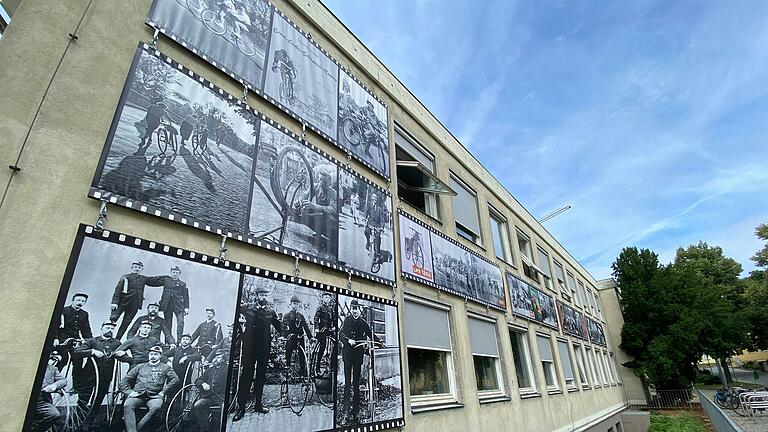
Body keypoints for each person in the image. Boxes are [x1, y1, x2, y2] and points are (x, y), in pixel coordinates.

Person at [232, 285, 281, 421]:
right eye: (261, 295)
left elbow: (279, 326)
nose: (264, 297)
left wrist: (290, 335)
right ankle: (241, 409)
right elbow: (234, 311)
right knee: (246, 375)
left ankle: (258, 405)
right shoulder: (248, 308)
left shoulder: (271, 311)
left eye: (266, 295)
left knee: (261, 375)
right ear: (257, 296)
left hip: (264, 347)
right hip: (250, 347)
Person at [72, 321, 126, 429]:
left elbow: (122, 357)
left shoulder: (116, 343)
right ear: (102, 328)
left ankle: (88, 424)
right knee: (83, 400)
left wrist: (124, 355)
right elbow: (77, 352)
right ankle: (75, 423)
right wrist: (91, 351)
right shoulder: (93, 341)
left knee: (97, 402)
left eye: (112, 328)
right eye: (107, 327)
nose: (110, 330)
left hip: (105, 377)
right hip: (89, 376)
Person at [339, 299, 383, 425]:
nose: (355, 311)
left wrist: (380, 343)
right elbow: (340, 334)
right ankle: (346, 413)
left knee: (356, 385)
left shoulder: (364, 323)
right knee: (347, 385)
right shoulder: (347, 320)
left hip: (358, 357)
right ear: (351, 310)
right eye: (353, 309)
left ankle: (356, 413)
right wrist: (348, 340)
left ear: (360, 310)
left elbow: (371, 334)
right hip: (347, 356)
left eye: (357, 309)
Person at [119, 345, 179, 432]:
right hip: (138, 395)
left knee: (156, 407)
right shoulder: (140, 366)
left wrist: (163, 391)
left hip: (155, 396)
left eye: (156, 354)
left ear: (160, 356)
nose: (153, 356)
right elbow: (124, 381)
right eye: (151, 354)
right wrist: (130, 392)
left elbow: (175, 379)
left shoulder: (165, 367)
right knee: (127, 405)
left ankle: (137, 429)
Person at [110, 260, 164, 340]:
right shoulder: (126, 277)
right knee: (113, 319)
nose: (137, 269)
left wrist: (166, 279)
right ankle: (108, 338)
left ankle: (117, 340)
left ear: (142, 269)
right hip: (122, 302)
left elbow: (154, 280)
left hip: (134, 305)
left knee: (126, 323)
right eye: (135, 267)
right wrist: (114, 302)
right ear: (132, 267)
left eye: (139, 267)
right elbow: (118, 290)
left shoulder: (143, 278)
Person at [298, 163, 338, 256]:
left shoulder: (333, 193)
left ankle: (320, 237)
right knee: (302, 211)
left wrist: (315, 206)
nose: (321, 182)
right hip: (319, 214)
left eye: (324, 181)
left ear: (329, 183)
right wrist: (300, 201)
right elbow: (304, 195)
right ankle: (317, 232)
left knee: (321, 215)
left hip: (329, 221)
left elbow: (333, 210)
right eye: (320, 179)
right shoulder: (315, 186)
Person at [192, 349, 229, 432]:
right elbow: (198, 379)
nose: (215, 359)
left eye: (218, 357)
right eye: (215, 357)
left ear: (223, 359)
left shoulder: (227, 370)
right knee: (198, 404)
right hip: (209, 397)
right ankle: (205, 428)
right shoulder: (210, 370)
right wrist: (203, 383)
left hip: (222, 398)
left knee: (223, 408)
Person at [54, 292, 93, 369]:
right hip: (62, 340)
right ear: (73, 300)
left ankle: (77, 381)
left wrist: (90, 341)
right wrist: (55, 338)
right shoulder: (63, 310)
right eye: (78, 300)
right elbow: (54, 326)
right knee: (63, 359)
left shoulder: (84, 314)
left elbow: (86, 330)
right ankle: (53, 378)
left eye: (83, 301)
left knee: (78, 360)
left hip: (75, 341)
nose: (80, 303)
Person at [30, 353, 67, 431]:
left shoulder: (52, 369)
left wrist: (54, 386)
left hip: (41, 401)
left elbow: (63, 381)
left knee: (54, 414)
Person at [155, 266, 190, 344]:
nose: (175, 274)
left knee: (180, 323)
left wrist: (187, 307)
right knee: (167, 325)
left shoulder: (182, 284)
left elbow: (186, 296)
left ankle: (179, 342)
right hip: (167, 306)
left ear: (179, 274)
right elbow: (155, 281)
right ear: (171, 273)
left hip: (179, 306)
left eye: (177, 273)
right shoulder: (166, 281)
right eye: (173, 272)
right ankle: (168, 342)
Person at [282, 295, 312, 375]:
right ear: (291, 304)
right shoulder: (287, 315)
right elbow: (283, 326)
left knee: (302, 354)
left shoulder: (301, 316)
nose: (296, 305)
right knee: (288, 351)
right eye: (294, 303)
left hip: (300, 337)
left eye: (297, 304)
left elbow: (306, 327)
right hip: (291, 337)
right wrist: (283, 336)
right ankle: (287, 368)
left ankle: (302, 372)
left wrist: (310, 337)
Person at [313, 292, 334, 374]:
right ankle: (317, 366)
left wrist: (333, 327)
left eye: (328, 298)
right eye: (325, 297)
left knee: (336, 344)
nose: (327, 299)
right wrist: (317, 328)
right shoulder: (320, 308)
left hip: (329, 330)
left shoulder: (330, 309)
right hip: (322, 331)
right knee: (322, 347)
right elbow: (316, 319)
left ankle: (331, 365)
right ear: (322, 298)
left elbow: (333, 320)